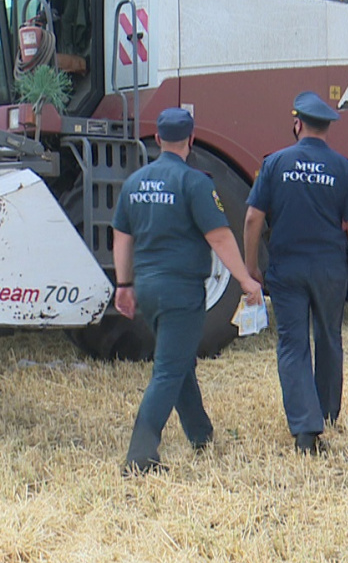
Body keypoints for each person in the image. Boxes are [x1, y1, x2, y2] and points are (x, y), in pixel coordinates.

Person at [112, 107, 262, 474]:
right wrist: (245, 279)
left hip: (147, 287)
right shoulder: (196, 183)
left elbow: (121, 235)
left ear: (159, 140)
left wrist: (124, 284)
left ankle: (200, 434)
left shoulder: (136, 182)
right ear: (191, 140)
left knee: (178, 361)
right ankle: (140, 456)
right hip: (181, 290)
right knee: (168, 369)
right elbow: (220, 236)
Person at [243, 91, 348, 455]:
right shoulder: (345, 169)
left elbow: (254, 217)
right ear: (327, 129)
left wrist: (250, 266)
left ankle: (305, 427)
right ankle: (328, 412)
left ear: (297, 123)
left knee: (292, 343)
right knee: (329, 339)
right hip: (330, 270)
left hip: (287, 269)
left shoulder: (275, 164)